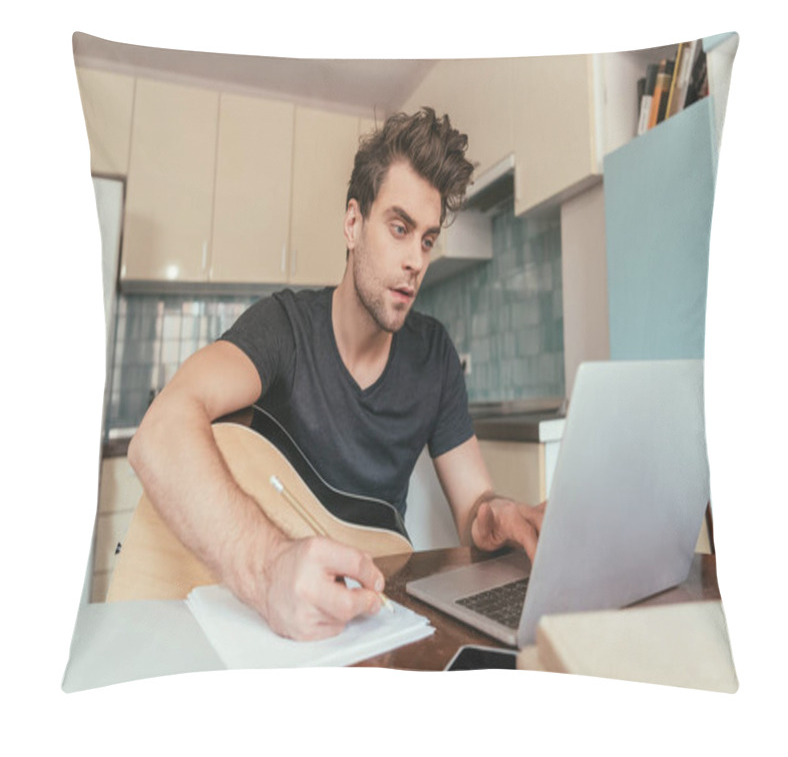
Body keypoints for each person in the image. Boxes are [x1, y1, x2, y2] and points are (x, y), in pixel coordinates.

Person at [128, 107, 545, 642]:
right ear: (353, 223)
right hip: (260, 622)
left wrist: (497, 515)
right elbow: (160, 432)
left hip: (366, 617)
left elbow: (474, 508)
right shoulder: (284, 328)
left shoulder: (435, 355)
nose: (417, 259)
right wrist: (267, 567)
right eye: (399, 228)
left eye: (426, 238)